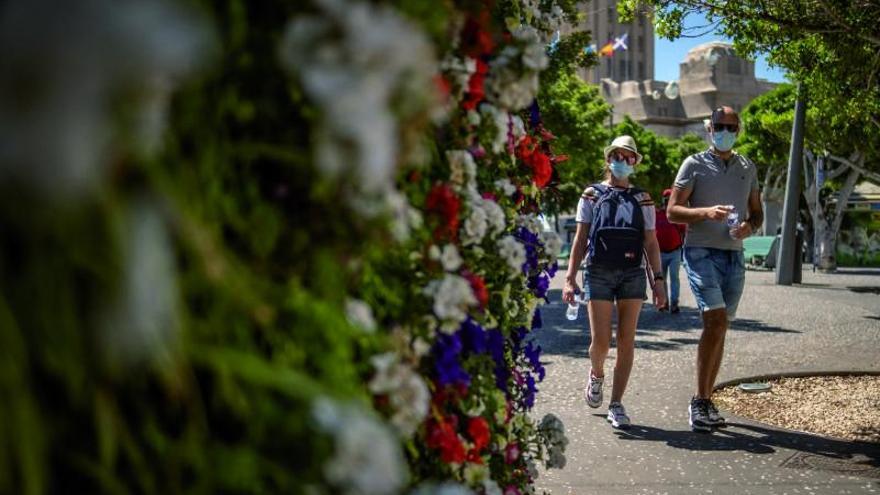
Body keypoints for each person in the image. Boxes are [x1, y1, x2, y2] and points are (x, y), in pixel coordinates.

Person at [666, 106, 763, 433]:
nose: (725, 131)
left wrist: (750, 228)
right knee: (715, 319)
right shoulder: (693, 163)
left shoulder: (747, 166)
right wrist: (706, 213)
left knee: (722, 326)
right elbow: (672, 212)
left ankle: (706, 399)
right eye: (719, 126)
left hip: (734, 255)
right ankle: (699, 401)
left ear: (738, 130)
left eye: (731, 127)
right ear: (709, 128)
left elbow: (757, 213)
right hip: (699, 251)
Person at [562, 135, 667, 429]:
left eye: (628, 157)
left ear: (635, 163)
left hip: (632, 272)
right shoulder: (591, 194)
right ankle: (596, 375)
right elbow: (581, 238)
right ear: (608, 160)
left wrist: (658, 280)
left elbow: (651, 241)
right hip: (598, 271)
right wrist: (570, 279)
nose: (622, 162)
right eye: (617, 156)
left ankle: (617, 404)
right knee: (601, 341)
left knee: (626, 341)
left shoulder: (643, 198)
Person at [655, 188, 687, 313]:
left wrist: (682, 246)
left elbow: (684, 231)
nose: (668, 202)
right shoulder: (657, 214)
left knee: (674, 278)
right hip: (660, 252)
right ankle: (664, 303)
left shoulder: (676, 215)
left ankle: (674, 303)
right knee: (661, 278)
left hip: (675, 252)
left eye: (670, 199)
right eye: (666, 199)